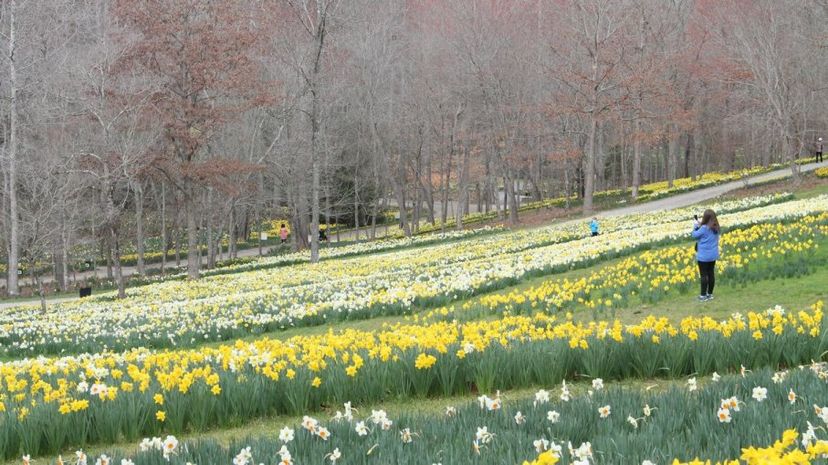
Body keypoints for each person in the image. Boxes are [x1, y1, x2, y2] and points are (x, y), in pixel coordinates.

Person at [692, 209, 720, 302]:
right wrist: (701, 224)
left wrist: (695, 226)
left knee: (704, 275)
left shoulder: (703, 229)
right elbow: (707, 228)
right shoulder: (716, 228)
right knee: (711, 274)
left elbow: (694, 235)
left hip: (703, 257)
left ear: (705, 218)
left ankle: (703, 296)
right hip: (713, 256)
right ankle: (710, 294)